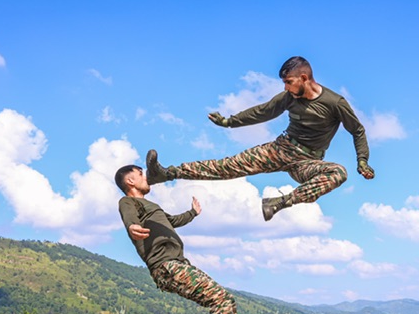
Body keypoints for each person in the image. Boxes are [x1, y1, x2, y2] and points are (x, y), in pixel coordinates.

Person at [145, 56, 375, 221]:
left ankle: (279, 203)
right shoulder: (289, 97)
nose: (285, 87)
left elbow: (357, 130)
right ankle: (165, 173)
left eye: (289, 82)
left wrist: (362, 160)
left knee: (338, 173)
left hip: (307, 162)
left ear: (304, 78)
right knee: (226, 167)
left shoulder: (335, 103)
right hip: (280, 149)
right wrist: (229, 121)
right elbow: (264, 111)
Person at [114, 164, 258, 314]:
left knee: (225, 300)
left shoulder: (151, 206)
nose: (146, 177)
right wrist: (132, 227)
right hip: (167, 265)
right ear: (130, 181)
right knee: (220, 299)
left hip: (177, 264)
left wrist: (192, 213)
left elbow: (172, 221)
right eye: (141, 174)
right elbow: (129, 216)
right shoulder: (128, 202)